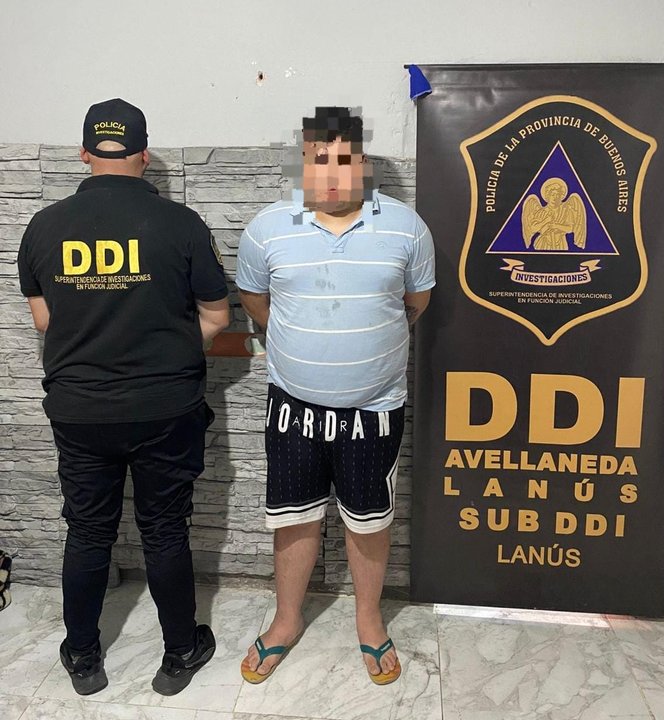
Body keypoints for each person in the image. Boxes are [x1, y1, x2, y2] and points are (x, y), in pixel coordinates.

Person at [17, 98, 230, 696]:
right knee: (164, 529)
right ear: (144, 154)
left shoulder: (43, 226)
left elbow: (44, 321)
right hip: (165, 406)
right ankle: (179, 653)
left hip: (80, 408)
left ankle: (84, 659)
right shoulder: (182, 224)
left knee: (88, 531)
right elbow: (217, 315)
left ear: (85, 154)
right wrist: (167, 352)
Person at [235, 106, 435, 685]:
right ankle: (286, 620)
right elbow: (254, 299)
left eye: (342, 160)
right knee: (294, 518)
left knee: (369, 520)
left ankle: (368, 619)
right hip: (292, 407)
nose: (328, 172)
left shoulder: (406, 227)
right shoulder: (268, 227)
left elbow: (416, 302)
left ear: (363, 162)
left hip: (375, 410)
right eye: (316, 160)